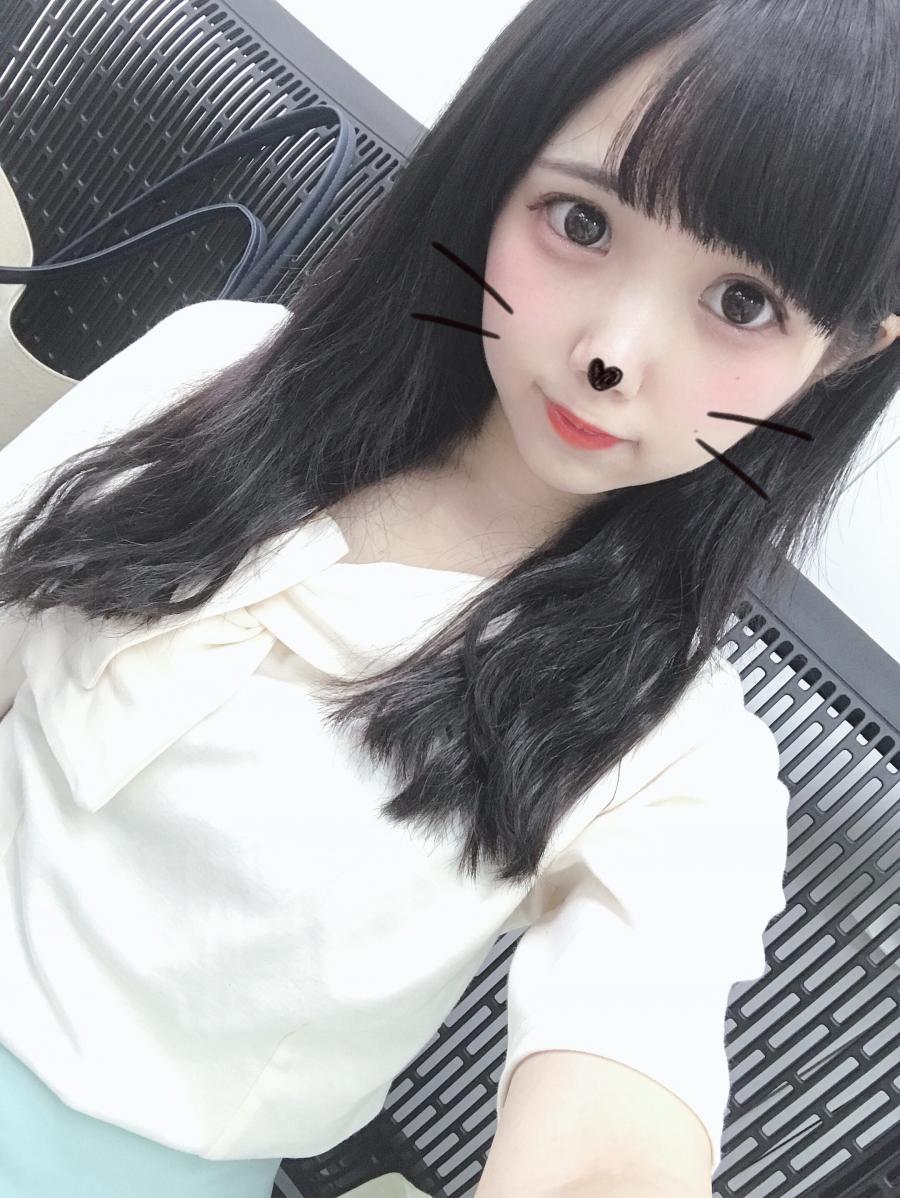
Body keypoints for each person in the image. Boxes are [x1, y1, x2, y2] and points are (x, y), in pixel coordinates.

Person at [0, 0, 897, 1195]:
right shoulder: (210, 369)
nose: (613, 352)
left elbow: (623, 1097)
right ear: (496, 169)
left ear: (844, 352)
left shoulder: (675, 753)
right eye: (581, 221)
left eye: (743, 304)